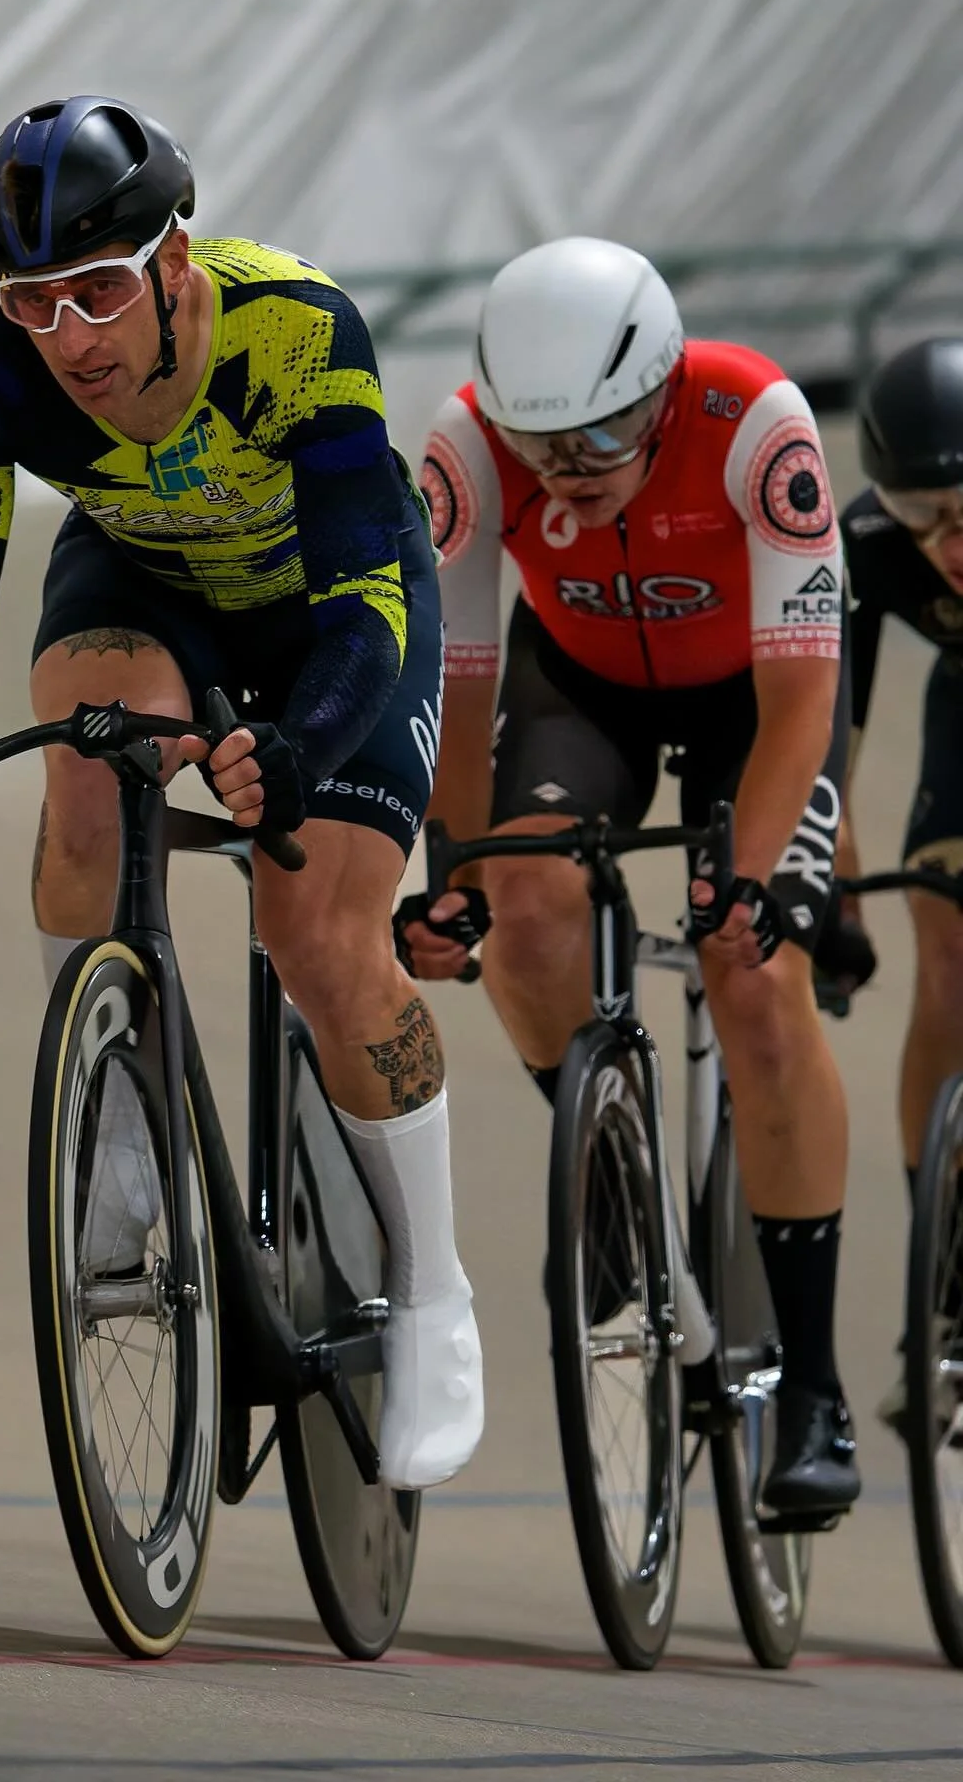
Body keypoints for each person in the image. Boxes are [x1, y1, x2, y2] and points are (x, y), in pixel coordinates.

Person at [0, 94, 482, 1489]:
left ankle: (439, 1288)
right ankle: (121, 1145)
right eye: (33, 302)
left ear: (174, 261)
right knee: (88, 771)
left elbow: (362, 616)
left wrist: (306, 745)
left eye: (97, 290)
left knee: (319, 934)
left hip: (332, 610)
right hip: (150, 578)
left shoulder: (296, 330)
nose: (70, 337)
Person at [397, 235, 860, 1515]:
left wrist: (751, 884)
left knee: (753, 976)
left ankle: (814, 1387)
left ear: (661, 393)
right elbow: (461, 676)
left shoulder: (758, 422)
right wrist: (459, 877)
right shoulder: (467, 445)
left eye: (599, 441)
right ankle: (607, 1171)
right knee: (531, 908)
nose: (565, 474)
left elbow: (805, 700)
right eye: (543, 447)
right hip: (580, 682)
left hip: (751, 709)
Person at [825, 336, 963, 1432]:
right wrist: (838, 898)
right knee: (948, 968)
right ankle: (947, 1282)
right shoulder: (869, 548)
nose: (949, 547)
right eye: (925, 517)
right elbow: (831, 739)